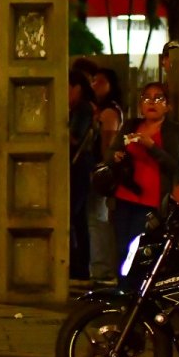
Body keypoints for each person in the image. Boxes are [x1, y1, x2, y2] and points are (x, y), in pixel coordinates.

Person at [110, 82, 179, 271]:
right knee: (120, 246)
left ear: (168, 106)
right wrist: (116, 156)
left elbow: (173, 164)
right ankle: (122, 289)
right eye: (147, 98)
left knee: (139, 248)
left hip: (150, 200)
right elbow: (112, 151)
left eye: (158, 98)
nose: (152, 102)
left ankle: (137, 290)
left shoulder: (171, 130)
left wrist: (151, 146)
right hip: (125, 194)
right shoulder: (131, 125)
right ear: (141, 104)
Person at [89, 68, 123, 282]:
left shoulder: (109, 112)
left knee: (99, 221)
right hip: (100, 172)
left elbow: (107, 145)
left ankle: (103, 269)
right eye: (93, 81)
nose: (95, 85)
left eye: (100, 81)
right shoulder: (101, 109)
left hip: (102, 174)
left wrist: (103, 170)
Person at [68, 70, 98, 280]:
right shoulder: (81, 108)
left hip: (80, 165)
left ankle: (79, 264)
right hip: (78, 164)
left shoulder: (83, 108)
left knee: (73, 214)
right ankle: (80, 266)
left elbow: (75, 138)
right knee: (78, 217)